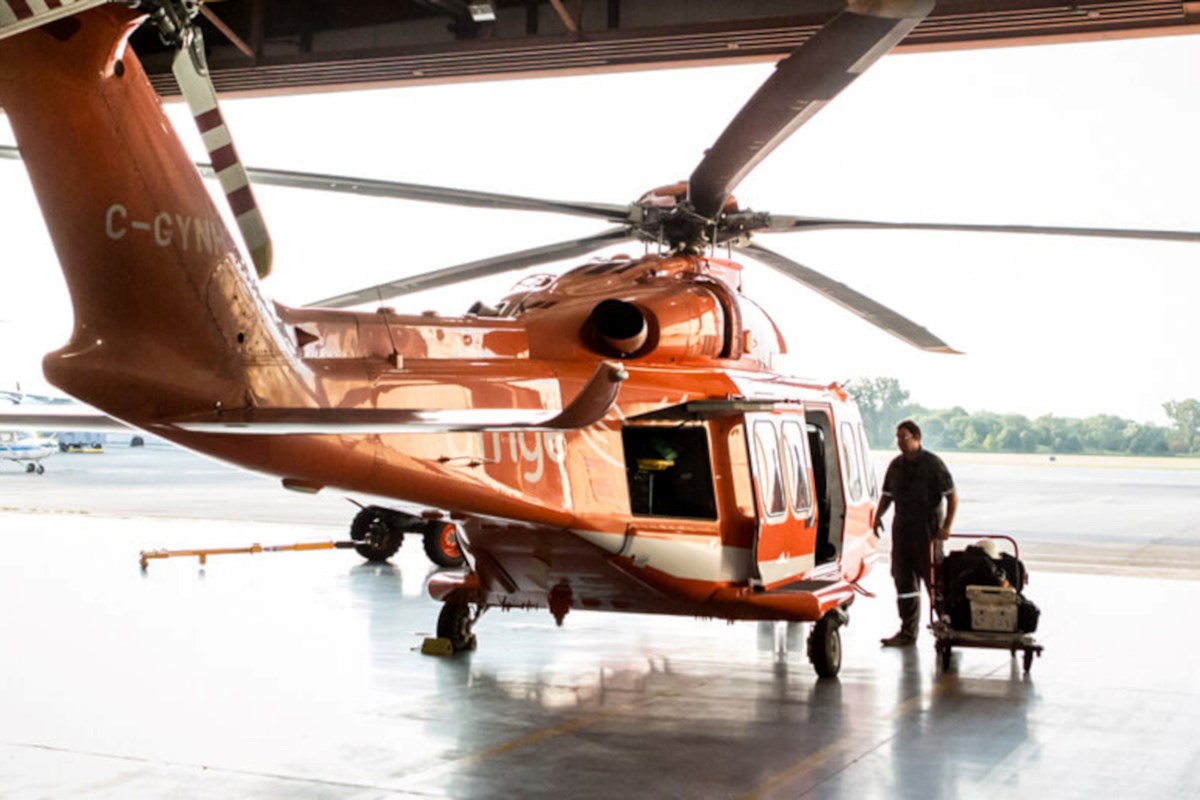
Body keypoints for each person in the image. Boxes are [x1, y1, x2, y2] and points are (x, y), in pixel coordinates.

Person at [873, 420, 958, 647]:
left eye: (905, 437)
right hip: (902, 534)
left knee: (935, 583)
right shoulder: (896, 466)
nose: (900, 442)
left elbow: (952, 496)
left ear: (917, 438)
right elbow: (887, 495)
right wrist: (877, 515)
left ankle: (949, 627)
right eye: (898, 437)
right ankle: (908, 632)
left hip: (927, 534)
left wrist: (947, 526)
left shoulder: (933, 464)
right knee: (904, 584)